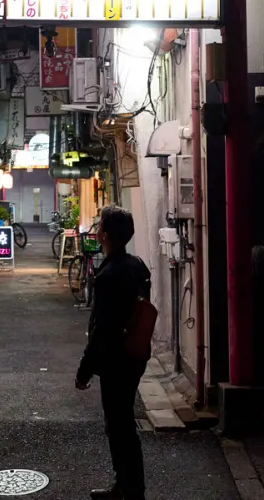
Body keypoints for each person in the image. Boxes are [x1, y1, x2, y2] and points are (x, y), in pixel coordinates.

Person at [75, 206, 152, 500]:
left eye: (100, 226)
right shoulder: (138, 266)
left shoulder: (109, 275)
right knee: (123, 423)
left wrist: (84, 370)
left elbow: (102, 330)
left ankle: (128, 488)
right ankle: (130, 485)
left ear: (104, 235)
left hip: (115, 360)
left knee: (119, 425)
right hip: (135, 354)